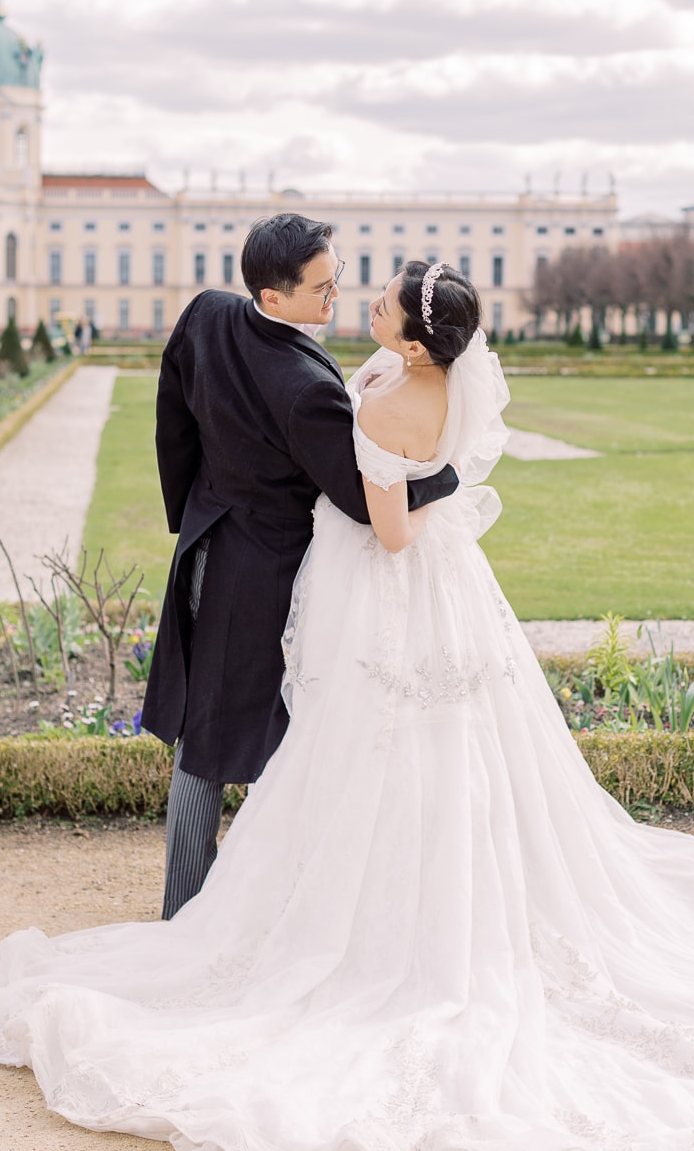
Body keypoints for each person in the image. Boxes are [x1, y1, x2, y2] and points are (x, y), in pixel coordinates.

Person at [0, 260, 694, 1151]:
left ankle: (374, 919)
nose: (363, 303)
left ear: (413, 332)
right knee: (450, 759)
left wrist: (383, 462)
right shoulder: (429, 377)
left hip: (392, 582)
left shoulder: (390, 396)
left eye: (383, 301)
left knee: (374, 750)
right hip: (451, 589)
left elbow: (390, 530)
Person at [139, 213, 458, 914]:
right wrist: (443, 476)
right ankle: (196, 909)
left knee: (221, 730)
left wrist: (192, 506)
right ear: (274, 295)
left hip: (204, 547)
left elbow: (172, 419)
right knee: (242, 741)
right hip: (259, 576)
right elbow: (356, 498)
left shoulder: (207, 314)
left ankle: (227, 900)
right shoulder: (304, 387)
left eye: (336, 277)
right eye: (322, 287)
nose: (335, 295)